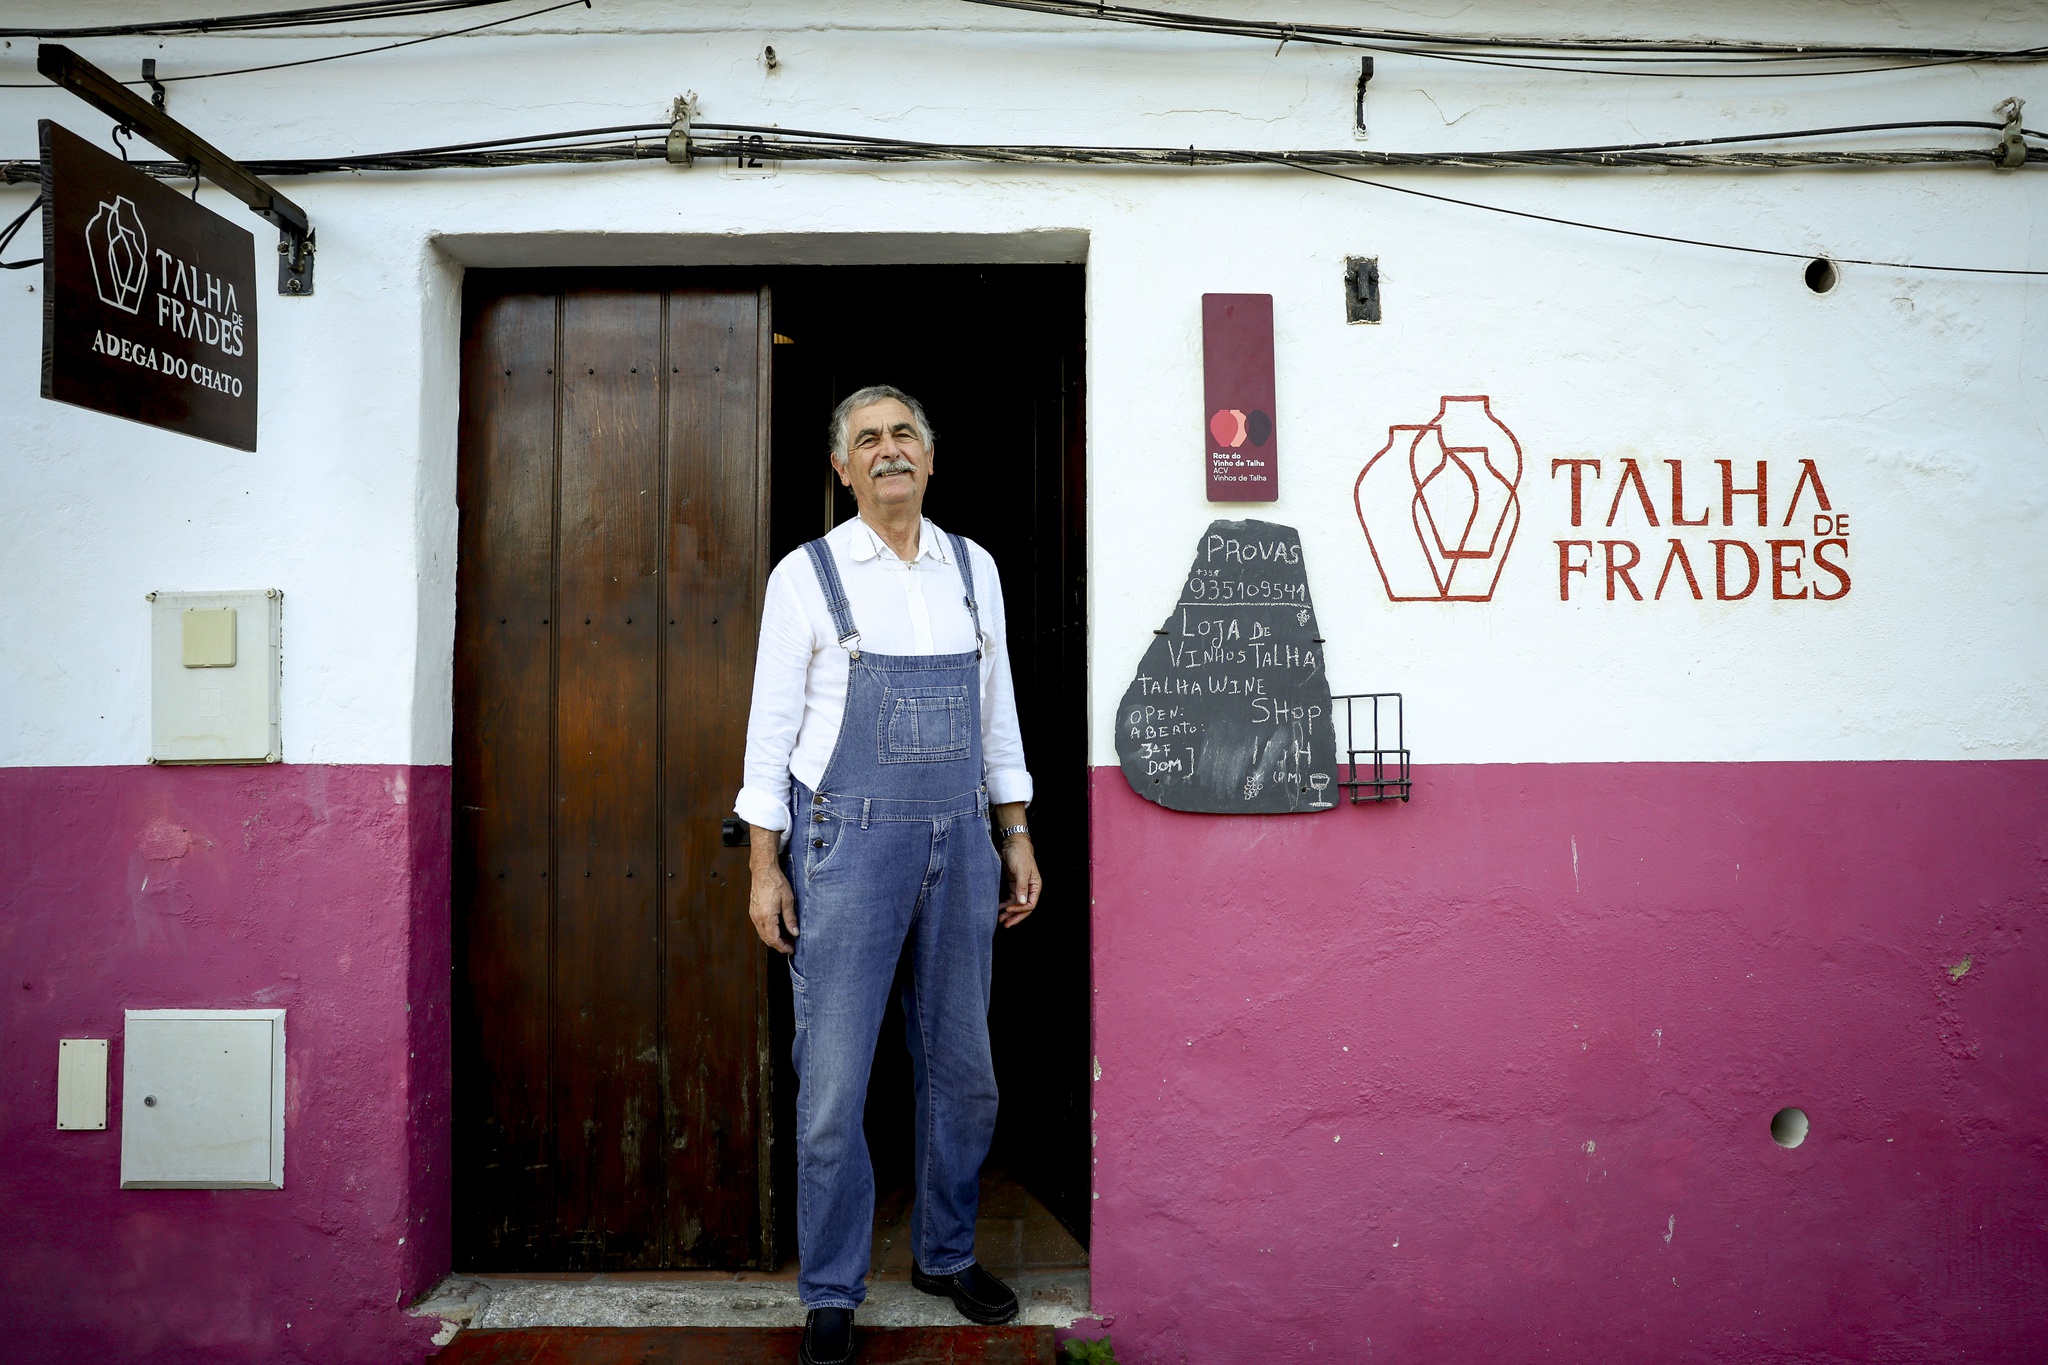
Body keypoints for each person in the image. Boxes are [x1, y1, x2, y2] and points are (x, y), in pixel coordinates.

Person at [734, 384, 1043, 1365]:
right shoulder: (806, 576)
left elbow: (995, 712)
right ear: (843, 468)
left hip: (962, 840)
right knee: (833, 1082)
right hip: (845, 845)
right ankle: (831, 1288)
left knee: (963, 1072)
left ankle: (946, 1254)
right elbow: (769, 736)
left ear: (931, 456)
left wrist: (1014, 830)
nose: (888, 450)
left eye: (903, 433)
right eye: (866, 439)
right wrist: (764, 866)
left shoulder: (973, 569)